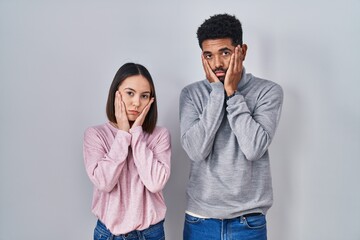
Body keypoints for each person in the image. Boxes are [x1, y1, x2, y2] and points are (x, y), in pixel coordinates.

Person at [179, 14, 283, 240]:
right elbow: (196, 151)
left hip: (249, 221)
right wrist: (217, 93)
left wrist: (232, 94)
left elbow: (254, 148)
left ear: (242, 51)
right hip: (200, 220)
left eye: (224, 53)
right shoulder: (191, 95)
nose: (216, 63)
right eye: (209, 55)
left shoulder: (268, 92)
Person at [83, 62, 171, 240]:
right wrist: (123, 134)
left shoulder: (160, 135)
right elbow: (104, 182)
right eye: (130, 93)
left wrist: (136, 134)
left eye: (144, 96)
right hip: (109, 234)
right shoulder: (95, 135)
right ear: (116, 93)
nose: (137, 102)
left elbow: (155, 183)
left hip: (151, 233)